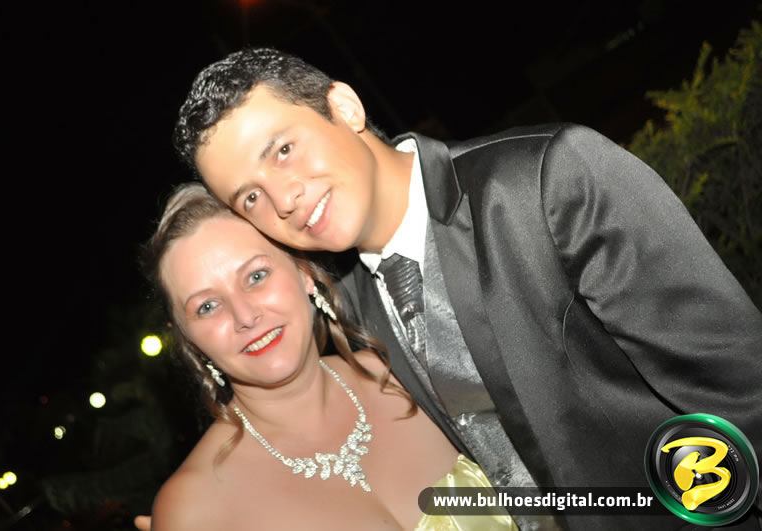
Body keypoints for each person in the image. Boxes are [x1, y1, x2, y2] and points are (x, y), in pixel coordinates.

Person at [165, 47, 762, 530]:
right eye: (250, 196)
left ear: (343, 107)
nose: (284, 198)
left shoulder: (544, 183)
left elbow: (741, 394)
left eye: (284, 150)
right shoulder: (353, 305)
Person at [140, 182, 518, 530]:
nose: (244, 316)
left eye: (256, 276)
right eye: (207, 306)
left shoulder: (410, 374)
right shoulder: (194, 509)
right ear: (189, 340)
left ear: (304, 273)